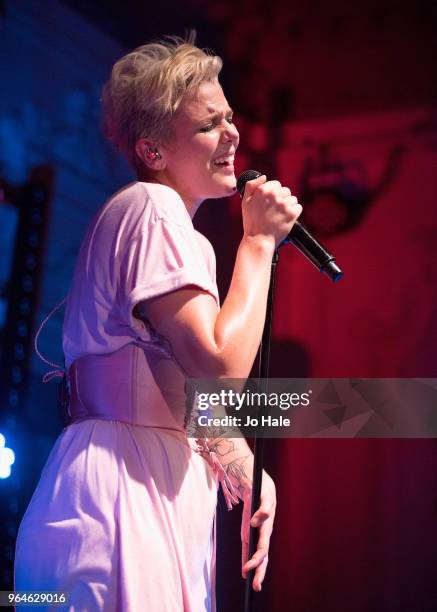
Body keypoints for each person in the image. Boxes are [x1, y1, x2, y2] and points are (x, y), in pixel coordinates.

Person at [14, 35, 302, 611]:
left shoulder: (173, 229)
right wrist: (259, 243)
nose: (232, 135)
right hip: (121, 490)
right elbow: (218, 369)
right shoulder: (152, 208)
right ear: (153, 150)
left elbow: (174, 383)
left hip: (144, 479)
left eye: (230, 118)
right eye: (208, 125)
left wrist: (244, 466)